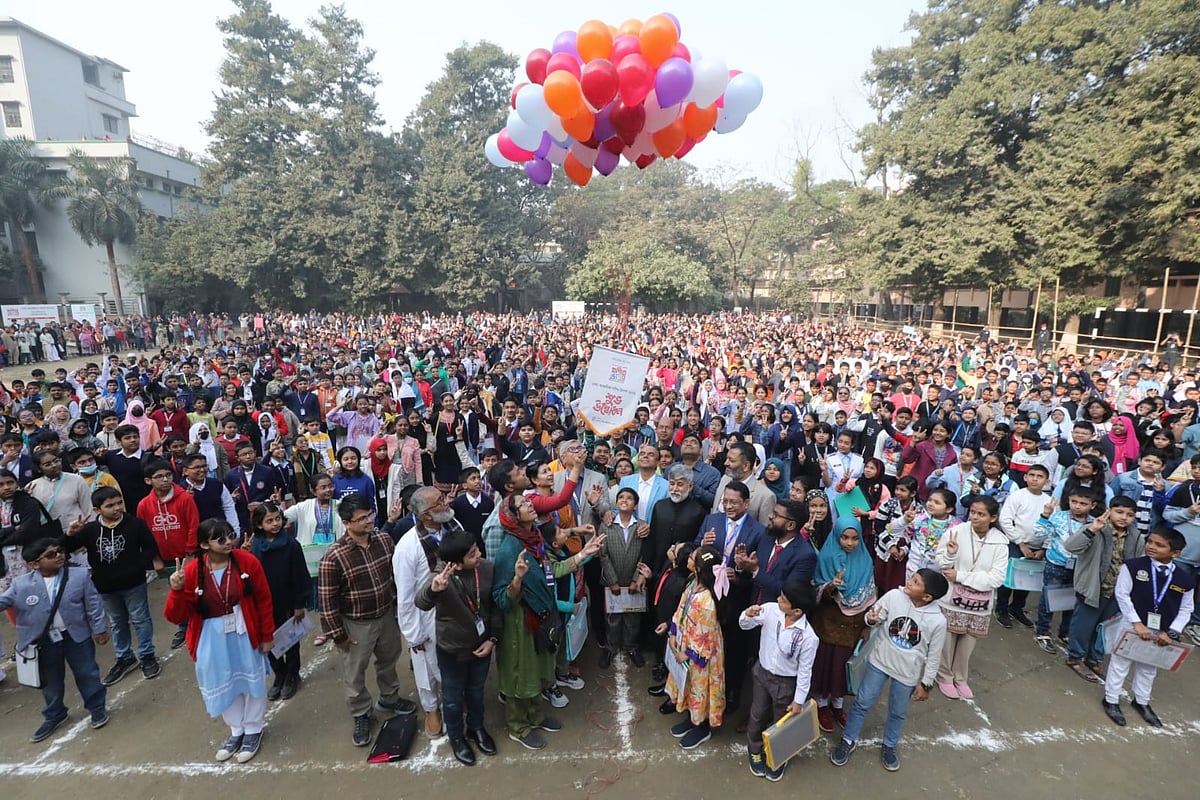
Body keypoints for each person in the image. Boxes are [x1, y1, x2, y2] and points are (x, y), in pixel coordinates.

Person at [164, 519, 275, 763]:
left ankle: (253, 728)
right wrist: (177, 590)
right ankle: (236, 729)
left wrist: (267, 635)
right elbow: (175, 616)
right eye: (221, 539)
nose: (229, 542)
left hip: (244, 629)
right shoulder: (192, 571)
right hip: (211, 636)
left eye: (230, 535)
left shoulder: (247, 562)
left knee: (251, 678)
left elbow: (264, 599)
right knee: (222, 680)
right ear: (205, 545)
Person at [317, 494, 417, 747]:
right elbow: (327, 601)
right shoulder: (334, 557)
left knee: (389, 659)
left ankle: (389, 698)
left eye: (370, 514)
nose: (369, 520)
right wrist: (338, 634)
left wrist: (398, 609)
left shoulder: (384, 540)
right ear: (346, 523)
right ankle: (361, 712)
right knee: (355, 671)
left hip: (385, 615)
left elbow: (395, 576)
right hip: (356, 624)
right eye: (361, 518)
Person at [831, 568, 950, 772]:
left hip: (907, 674)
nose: (909, 582)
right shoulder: (894, 596)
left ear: (927, 597)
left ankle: (889, 745)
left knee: (897, 712)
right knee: (861, 702)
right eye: (912, 578)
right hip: (879, 662)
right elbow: (874, 617)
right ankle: (848, 739)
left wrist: (926, 684)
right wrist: (871, 619)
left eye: (916, 582)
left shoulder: (938, 621)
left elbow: (934, 655)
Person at [491, 492, 583, 749]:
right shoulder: (510, 550)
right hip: (520, 621)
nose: (529, 504)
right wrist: (517, 580)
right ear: (513, 516)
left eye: (527, 501)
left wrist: (582, 554)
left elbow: (549, 571)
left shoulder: (536, 539)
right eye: (522, 504)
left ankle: (535, 716)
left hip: (540, 615)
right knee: (520, 673)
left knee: (539, 668)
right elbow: (500, 597)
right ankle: (518, 726)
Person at [0, 538, 110, 743]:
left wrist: (99, 628)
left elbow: (93, 604)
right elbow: (3, 601)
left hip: (75, 636)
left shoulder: (79, 575)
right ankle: (55, 714)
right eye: (51, 555)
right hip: (44, 642)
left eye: (60, 551)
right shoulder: (20, 584)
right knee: (50, 682)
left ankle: (97, 707)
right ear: (34, 564)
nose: (59, 556)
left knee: (87, 673)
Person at [415, 529, 502, 766]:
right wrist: (434, 590)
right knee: (452, 698)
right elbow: (421, 602)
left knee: (476, 691)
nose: (479, 555)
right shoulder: (441, 576)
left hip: (482, 645)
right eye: (472, 554)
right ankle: (456, 736)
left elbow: (495, 608)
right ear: (456, 563)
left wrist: (492, 639)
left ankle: (476, 728)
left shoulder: (486, 568)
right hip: (452, 649)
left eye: (477, 550)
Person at [64, 487, 162, 685]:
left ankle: (147, 654)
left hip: (134, 583)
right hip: (105, 586)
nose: (117, 508)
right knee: (117, 622)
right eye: (110, 505)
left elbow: (150, 547)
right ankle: (124, 657)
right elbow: (65, 549)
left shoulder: (135, 524)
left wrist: (137, 566)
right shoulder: (90, 530)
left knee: (140, 619)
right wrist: (70, 534)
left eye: (119, 503)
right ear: (97, 510)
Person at [1102, 528, 1195, 727]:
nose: (1151, 546)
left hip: (1162, 630)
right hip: (1132, 623)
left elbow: (1186, 608)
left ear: (1175, 553)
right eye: (1150, 541)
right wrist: (1136, 622)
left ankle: (1141, 701)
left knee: (1149, 666)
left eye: (1159, 545)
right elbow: (1122, 594)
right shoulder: (1133, 566)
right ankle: (1111, 699)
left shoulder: (1185, 579)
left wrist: (1172, 632)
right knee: (1120, 662)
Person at [740, 580, 819, 782]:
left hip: (785, 683)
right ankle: (755, 749)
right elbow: (744, 625)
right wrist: (748, 615)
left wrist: (798, 701)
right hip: (762, 673)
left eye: (783, 599)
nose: (778, 599)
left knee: (781, 721)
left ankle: (778, 756)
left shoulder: (809, 637)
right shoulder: (770, 610)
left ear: (797, 611)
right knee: (757, 714)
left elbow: (805, 671)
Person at [393, 486, 456, 739]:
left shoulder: (453, 527)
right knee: (426, 668)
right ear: (426, 514)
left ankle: (453, 703)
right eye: (440, 501)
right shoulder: (407, 547)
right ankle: (432, 709)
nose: (446, 502)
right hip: (426, 615)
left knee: (454, 663)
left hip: (455, 608)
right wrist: (413, 635)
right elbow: (405, 597)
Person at [935, 496, 1009, 699]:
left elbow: (997, 578)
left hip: (980, 603)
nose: (974, 517)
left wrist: (961, 576)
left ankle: (960, 677)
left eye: (981, 514)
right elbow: (942, 563)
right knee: (947, 641)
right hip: (952, 598)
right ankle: (944, 676)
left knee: (967, 643)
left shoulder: (1000, 542)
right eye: (973, 512)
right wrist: (951, 555)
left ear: (993, 518)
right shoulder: (956, 532)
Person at [1062, 497, 1143, 682]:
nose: (1124, 518)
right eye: (1119, 512)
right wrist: (1092, 529)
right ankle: (1075, 657)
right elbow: (1071, 546)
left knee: (1104, 628)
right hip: (1092, 587)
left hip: (1117, 591)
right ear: (1109, 511)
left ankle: (1094, 657)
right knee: (1083, 625)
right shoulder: (1096, 528)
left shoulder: (1136, 536)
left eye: (1130, 515)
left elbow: (1137, 562)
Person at [811, 516, 877, 731]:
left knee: (843, 668)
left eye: (855, 538)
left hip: (853, 627)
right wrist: (831, 587)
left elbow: (869, 593)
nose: (850, 543)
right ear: (836, 536)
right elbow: (815, 590)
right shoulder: (827, 557)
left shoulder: (865, 559)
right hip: (829, 625)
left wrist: (867, 625)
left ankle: (837, 705)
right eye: (845, 538)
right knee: (826, 667)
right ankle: (822, 705)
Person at [247, 503, 311, 701]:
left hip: (287, 601)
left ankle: (292, 675)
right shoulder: (255, 546)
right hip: (265, 604)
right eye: (269, 521)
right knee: (268, 640)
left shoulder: (291, 545)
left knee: (290, 640)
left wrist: (299, 604)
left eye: (277, 519)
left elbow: (300, 575)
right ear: (259, 524)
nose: (275, 524)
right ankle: (279, 674)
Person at [665, 545, 725, 750]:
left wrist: (688, 653)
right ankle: (693, 718)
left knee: (702, 688)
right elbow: (681, 608)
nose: (688, 558)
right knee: (690, 685)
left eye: (692, 557)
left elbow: (705, 637)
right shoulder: (693, 582)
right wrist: (674, 632)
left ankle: (703, 726)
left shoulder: (707, 600)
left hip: (701, 654)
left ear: (698, 568)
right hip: (686, 644)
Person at [1033, 486, 1096, 653]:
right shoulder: (1058, 517)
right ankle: (1043, 630)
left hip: (1080, 568)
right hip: (1056, 564)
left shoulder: (1094, 524)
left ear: (1093, 505)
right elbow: (1038, 533)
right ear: (1068, 501)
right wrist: (1045, 515)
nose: (1077, 506)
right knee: (1049, 598)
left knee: (1073, 601)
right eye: (1074, 501)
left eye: (1083, 503)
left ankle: (1066, 631)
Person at [598, 487, 648, 668]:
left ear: (635, 506)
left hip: (633, 581)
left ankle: (631, 647)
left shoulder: (642, 526)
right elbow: (603, 555)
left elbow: (644, 554)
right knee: (612, 617)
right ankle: (611, 648)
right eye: (621, 497)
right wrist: (612, 581)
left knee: (633, 618)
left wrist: (635, 579)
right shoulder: (607, 524)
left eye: (629, 498)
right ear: (616, 503)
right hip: (613, 581)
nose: (624, 500)